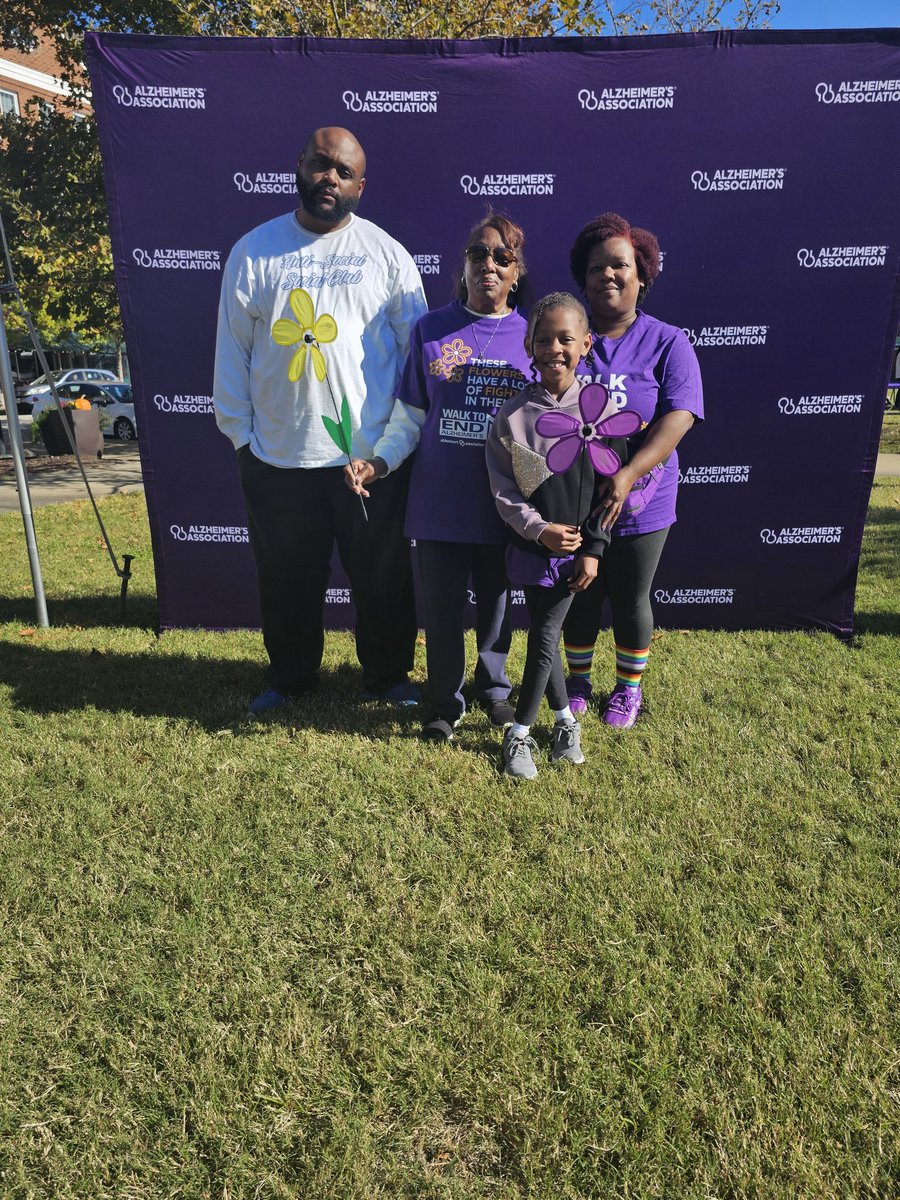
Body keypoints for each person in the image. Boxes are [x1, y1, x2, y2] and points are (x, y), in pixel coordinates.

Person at [214, 126, 427, 714]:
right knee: (285, 579)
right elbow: (233, 352)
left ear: (362, 184)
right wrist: (243, 440)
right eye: (319, 164)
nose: (328, 177)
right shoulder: (254, 251)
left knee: (382, 578)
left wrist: (392, 449)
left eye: (343, 171)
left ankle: (387, 678)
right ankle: (289, 678)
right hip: (277, 456)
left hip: (368, 462)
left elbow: (418, 367)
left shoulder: (388, 257)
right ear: (299, 165)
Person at [382, 215, 531, 741]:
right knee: (442, 613)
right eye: (478, 253)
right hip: (438, 504)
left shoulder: (533, 336)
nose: (488, 264)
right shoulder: (431, 329)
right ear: (463, 264)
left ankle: (494, 693)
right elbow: (409, 416)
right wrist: (379, 461)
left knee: (495, 609)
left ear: (516, 271)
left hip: (501, 504)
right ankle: (443, 702)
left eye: (502, 257)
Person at [562, 212, 703, 728]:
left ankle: (627, 689)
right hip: (576, 497)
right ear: (584, 277)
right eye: (598, 267)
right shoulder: (568, 338)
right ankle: (577, 680)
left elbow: (679, 416)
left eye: (620, 265)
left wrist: (629, 474)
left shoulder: (668, 341)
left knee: (630, 596)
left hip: (645, 497)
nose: (609, 275)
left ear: (641, 274)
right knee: (579, 591)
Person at [486, 293, 611, 780]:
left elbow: (611, 492)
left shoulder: (601, 412)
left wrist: (593, 549)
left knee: (542, 635)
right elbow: (503, 489)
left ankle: (518, 732)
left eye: (565, 339)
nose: (554, 348)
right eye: (543, 339)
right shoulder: (512, 416)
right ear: (529, 346)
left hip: (576, 556)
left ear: (585, 343)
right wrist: (539, 531)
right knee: (548, 638)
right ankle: (565, 721)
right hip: (529, 549)